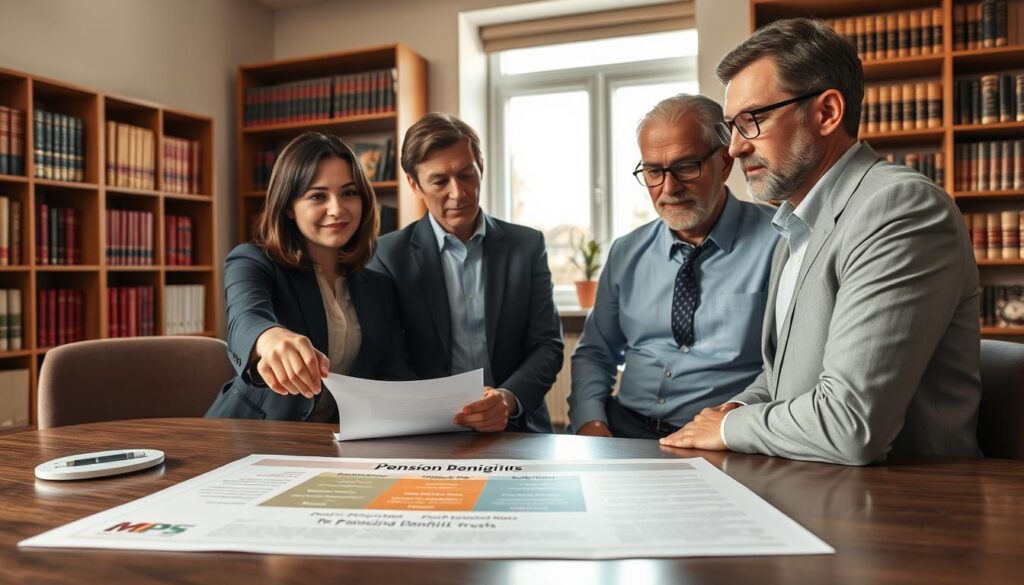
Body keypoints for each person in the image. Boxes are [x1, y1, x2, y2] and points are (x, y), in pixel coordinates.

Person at [661, 18, 981, 465]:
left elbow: (852, 424)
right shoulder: (793, 224)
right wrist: (733, 409)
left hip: (904, 507)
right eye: (731, 126)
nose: (734, 148)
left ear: (827, 112)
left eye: (752, 120)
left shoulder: (899, 208)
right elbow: (781, 381)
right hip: (811, 485)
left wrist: (730, 428)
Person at [568, 94, 778, 439]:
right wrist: (591, 423)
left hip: (723, 438)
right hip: (624, 431)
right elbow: (595, 352)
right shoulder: (626, 252)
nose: (669, 188)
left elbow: (787, 365)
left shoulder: (779, 244)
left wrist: (731, 424)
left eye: (685, 167)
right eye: (653, 171)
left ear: (724, 163)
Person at [368, 113, 563, 433]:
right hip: (429, 430)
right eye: (440, 181)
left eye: (466, 175)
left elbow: (547, 345)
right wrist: (442, 413)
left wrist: (507, 400)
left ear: (481, 168)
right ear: (414, 185)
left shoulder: (527, 245)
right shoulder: (388, 257)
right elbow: (389, 360)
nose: (458, 193)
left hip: (517, 424)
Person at [206, 131, 414, 422]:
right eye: (318, 196)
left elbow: (394, 377)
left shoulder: (378, 286)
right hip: (248, 435)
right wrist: (270, 338)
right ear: (289, 207)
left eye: (349, 193)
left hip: (333, 445)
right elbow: (246, 318)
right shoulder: (252, 261)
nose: (337, 209)